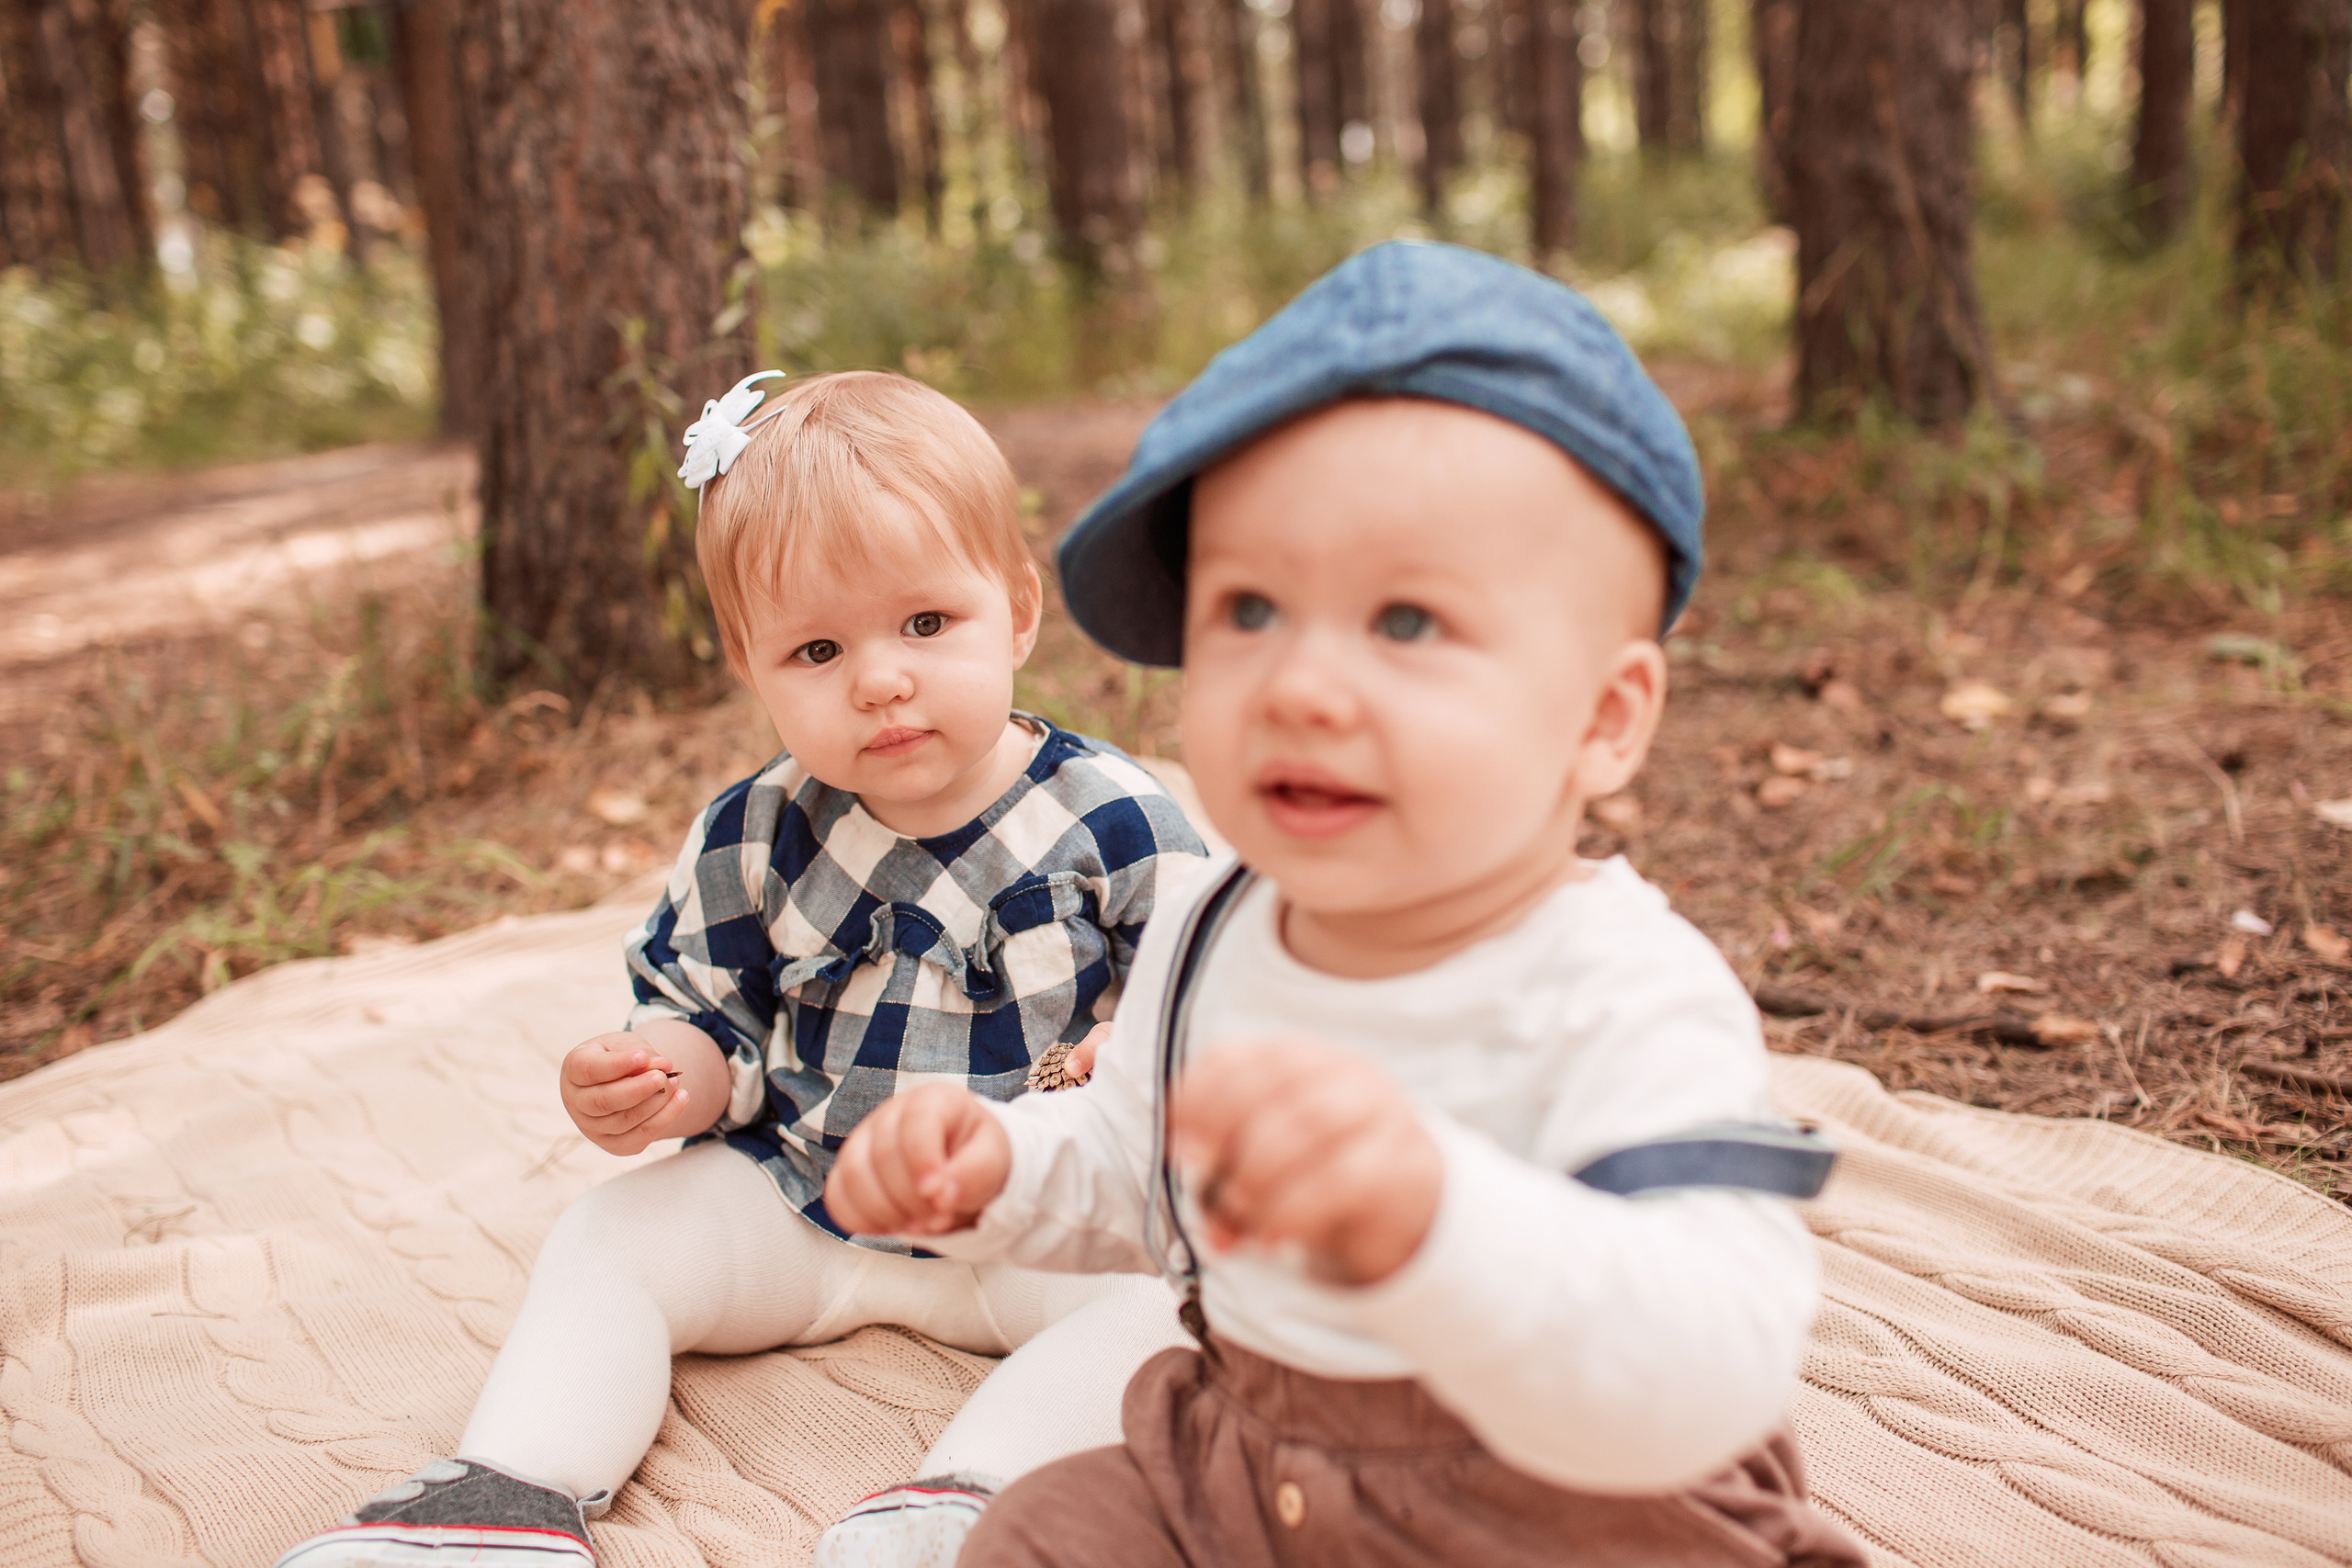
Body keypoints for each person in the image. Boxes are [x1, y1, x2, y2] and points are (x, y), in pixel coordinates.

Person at [825, 243, 1871, 1567]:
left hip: (1567, 1504)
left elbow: (1711, 1361)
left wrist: (1439, 1217)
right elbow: (1140, 1174)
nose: (1304, 688)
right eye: (1251, 609)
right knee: (1039, 1535)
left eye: (1409, 623)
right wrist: (993, 1170)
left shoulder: (1619, 990)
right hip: (1252, 1466)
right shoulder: (1213, 925)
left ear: (1603, 723)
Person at [274, 371, 1206, 1568]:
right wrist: (657, 1077)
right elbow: (701, 1017)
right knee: (613, 1235)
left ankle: (972, 1502)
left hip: (1030, 1206)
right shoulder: (756, 831)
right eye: (818, 648)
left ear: (1018, 612)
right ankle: (507, 1499)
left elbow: (1209, 997)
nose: (880, 678)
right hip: (806, 1194)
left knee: (1187, 1302)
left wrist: (1135, 1053)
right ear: (749, 664)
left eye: (927, 625)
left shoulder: (1111, 816)